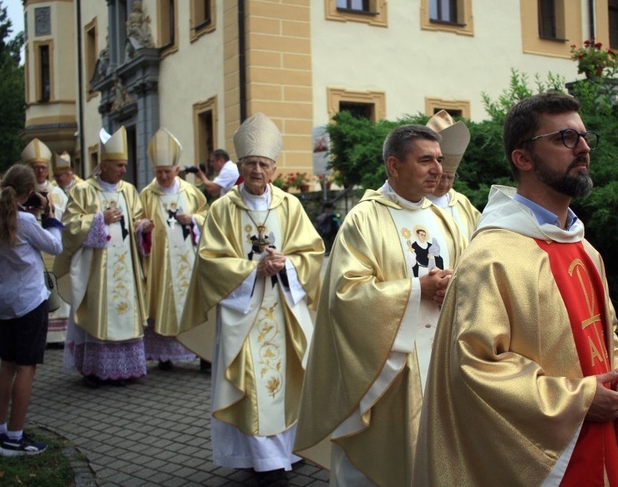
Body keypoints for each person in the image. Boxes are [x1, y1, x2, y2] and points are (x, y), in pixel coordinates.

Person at [413, 92, 618, 486]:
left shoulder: (584, 249)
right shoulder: (491, 257)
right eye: (565, 139)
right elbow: (473, 368)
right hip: (550, 462)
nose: (584, 148)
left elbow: (604, 340)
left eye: (584, 136)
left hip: (601, 442)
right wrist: (578, 399)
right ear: (523, 158)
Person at [294, 124, 465, 486]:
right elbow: (346, 293)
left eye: (439, 159)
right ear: (394, 165)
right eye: (425, 160)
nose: (437, 169)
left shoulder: (444, 218)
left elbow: (467, 271)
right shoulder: (364, 219)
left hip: (441, 358)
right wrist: (417, 289)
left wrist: (453, 286)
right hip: (389, 367)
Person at [179, 113, 324, 485]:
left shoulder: (289, 206)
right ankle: (263, 460)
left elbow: (312, 253)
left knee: (289, 379)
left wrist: (287, 263)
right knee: (251, 383)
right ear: (240, 167)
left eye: (263, 164)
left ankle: (289, 450)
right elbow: (209, 261)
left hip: (283, 311)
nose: (257, 170)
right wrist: (251, 270)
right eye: (250, 164)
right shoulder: (223, 209)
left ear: (274, 169)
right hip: (242, 314)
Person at [53, 127, 150, 388]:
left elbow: (136, 218)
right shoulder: (84, 190)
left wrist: (143, 227)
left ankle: (127, 369)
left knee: (125, 315)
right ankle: (96, 370)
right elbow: (70, 225)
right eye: (119, 165)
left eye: (125, 165)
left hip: (126, 269)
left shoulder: (129, 191)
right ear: (104, 165)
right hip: (97, 269)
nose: (123, 170)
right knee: (99, 313)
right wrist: (99, 219)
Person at [0, 164, 63, 456]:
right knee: (26, 367)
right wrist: (49, 214)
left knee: (6, 365)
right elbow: (55, 247)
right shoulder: (26, 221)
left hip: (3, 301)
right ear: (29, 192)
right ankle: (16, 438)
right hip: (29, 301)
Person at [139, 128, 208, 370]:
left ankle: (202, 353)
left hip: (190, 261)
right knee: (165, 303)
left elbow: (207, 216)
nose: (163, 176)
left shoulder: (190, 192)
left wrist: (194, 220)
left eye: (167, 171)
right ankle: (165, 355)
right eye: (159, 172)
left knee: (194, 304)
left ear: (177, 170)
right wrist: (142, 226)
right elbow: (136, 220)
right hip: (162, 262)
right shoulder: (147, 194)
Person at [20, 139, 69, 346]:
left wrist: (50, 207)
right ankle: (38, 333)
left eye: (43, 167)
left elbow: (67, 217)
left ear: (48, 169)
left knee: (55, 283)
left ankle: (57, 336)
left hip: (53, 246)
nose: (40, 171)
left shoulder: (58, 193)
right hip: (31, 247)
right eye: (35, 167)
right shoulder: (22, 194)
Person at [425, 110, 481, 240]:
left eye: (450, 177)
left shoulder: (462, 203)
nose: (445, 184)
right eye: (440, 176)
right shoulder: (414, 201)